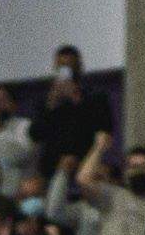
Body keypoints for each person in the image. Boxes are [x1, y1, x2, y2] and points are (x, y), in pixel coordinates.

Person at [35, 47, 115, 178]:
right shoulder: (46, 99)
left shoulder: (95, 97)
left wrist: (77, 100)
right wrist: (51, 105)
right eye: (60, 67)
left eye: (69, 67)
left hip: (85, 166)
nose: (65, 72)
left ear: (78, 67)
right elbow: (35, 134)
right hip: (51, 170)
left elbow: (105, 129)